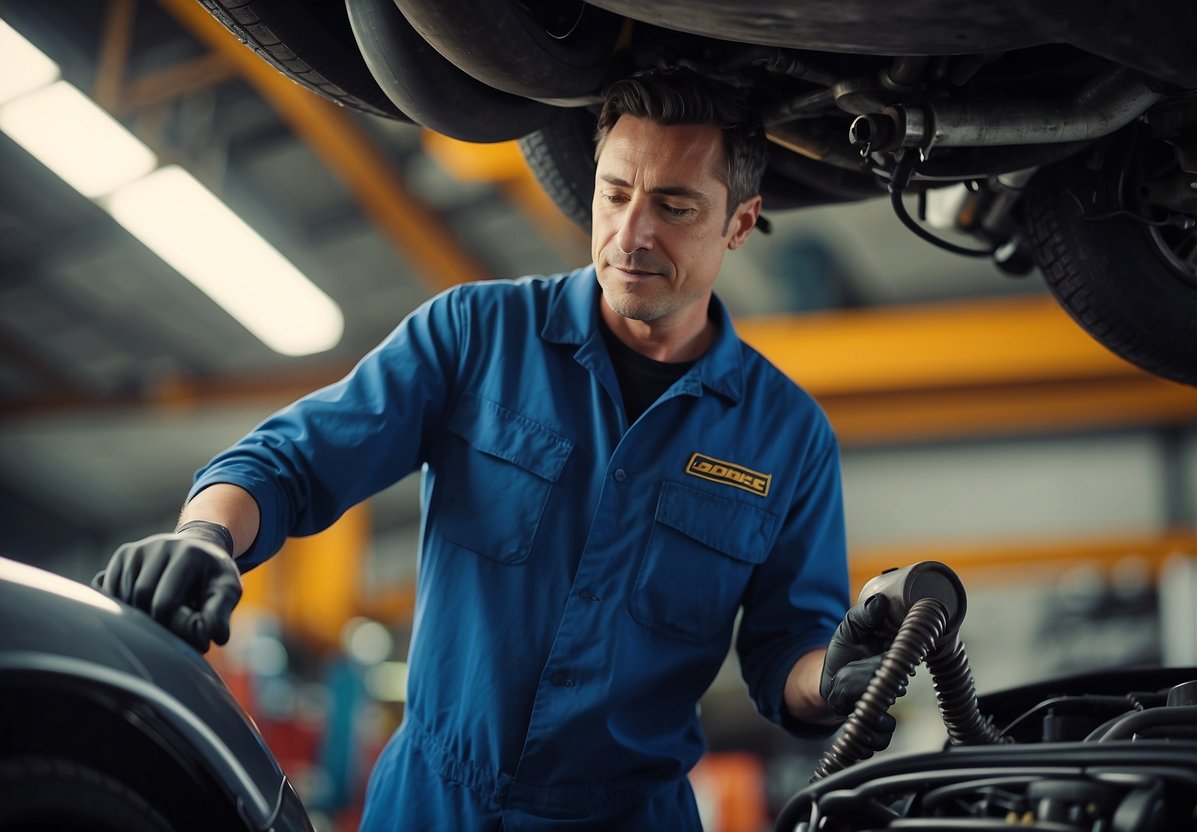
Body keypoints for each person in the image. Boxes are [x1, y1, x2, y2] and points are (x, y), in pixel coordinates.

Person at [95, 68, 892, 830]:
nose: (630, 232)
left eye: (676, 207)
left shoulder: (786, 436)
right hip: (431, 806)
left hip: (626, 818)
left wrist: (835, 681)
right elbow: (293, 458)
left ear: (740, 223)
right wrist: (206, 534)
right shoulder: (475, 335)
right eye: (614, 192)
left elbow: (788, 645)